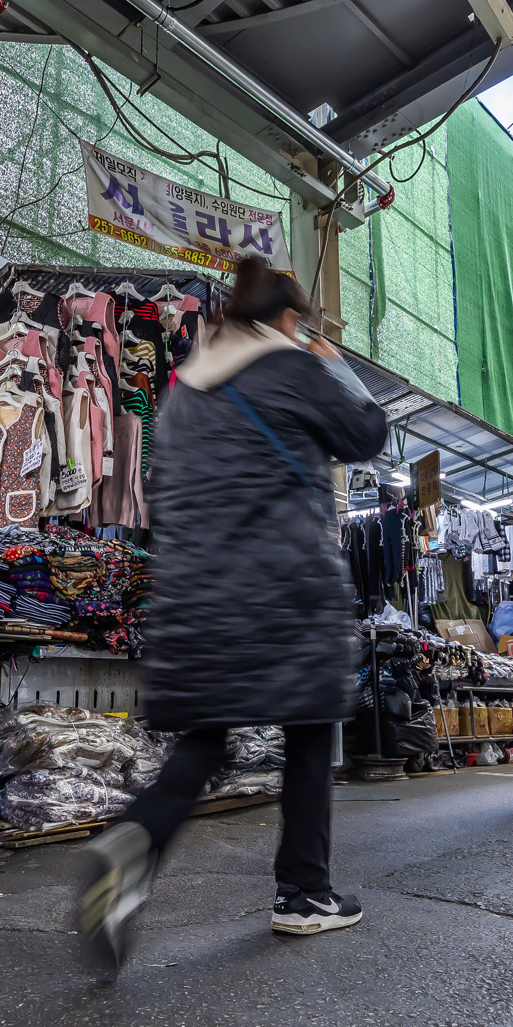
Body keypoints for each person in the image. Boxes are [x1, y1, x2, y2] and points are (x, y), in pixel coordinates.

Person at [73, 259, 388, 974]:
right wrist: (333, 365)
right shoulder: (293, 368)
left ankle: (135, 842)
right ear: (286, 319)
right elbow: (369, 432)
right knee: (310, 729)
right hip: (286, 587)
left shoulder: (185, 388)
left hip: (196, 592)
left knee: (205, 739)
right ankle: (303, 891)